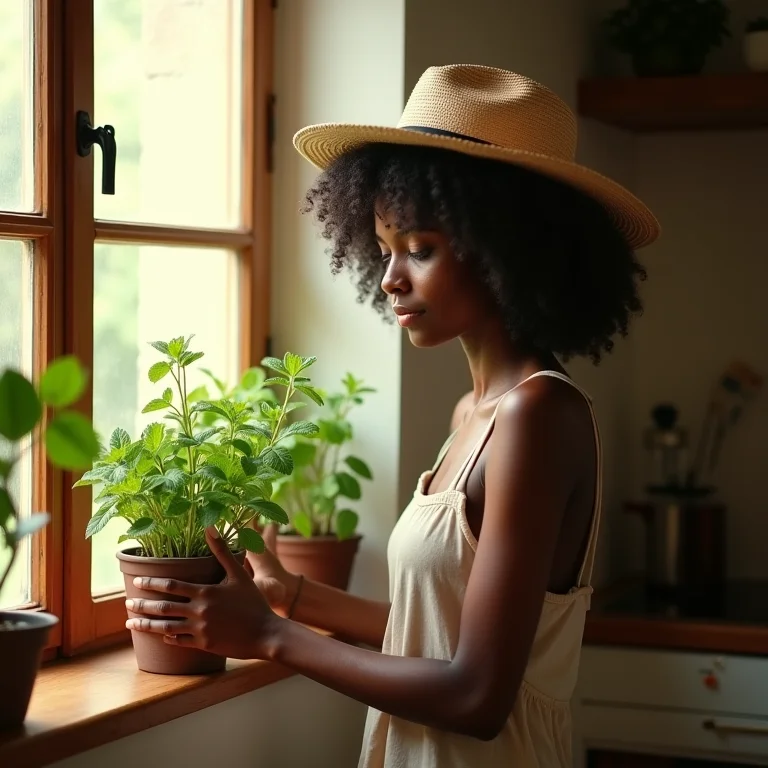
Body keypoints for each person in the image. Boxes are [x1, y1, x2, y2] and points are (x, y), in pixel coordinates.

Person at [125, 64, 660, 766]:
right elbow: (439, 636)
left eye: (421, 249)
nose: (389, 280)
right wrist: (291, 595)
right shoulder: (476, 410)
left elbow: (476, 695)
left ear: (508, 248)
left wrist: (270, 637)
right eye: (383, 251)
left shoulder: (538, 415)